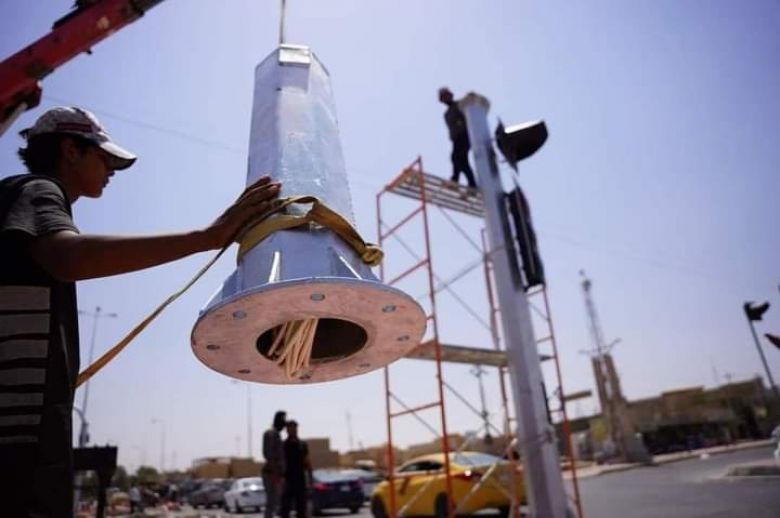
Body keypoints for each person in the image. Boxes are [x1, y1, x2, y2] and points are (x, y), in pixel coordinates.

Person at [0, 106, 282, 516]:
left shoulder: (17, 197)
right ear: (71, 150)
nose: (112, 171)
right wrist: (206, 237)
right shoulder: (37, 190)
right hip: (18, 438)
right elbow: (67, 257)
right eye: (106, 159)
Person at [438, 87, 477, 189]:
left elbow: (469, 104)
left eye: (446, 96)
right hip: (456, 138)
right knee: (462, 161)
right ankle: (472, 184)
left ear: (451, 96)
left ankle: (455, 179)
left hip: (464, 135)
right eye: (443, 98)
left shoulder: (459, 104)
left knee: (455, 158)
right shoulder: (446, 114)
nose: (445, 99)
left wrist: (470, 96)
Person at [281, 420, 312, 518]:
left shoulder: (302, 444)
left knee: (301, 508)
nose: (293, 430)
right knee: (285, 508)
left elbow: (307, 461)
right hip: (287, 479)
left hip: (300, 479)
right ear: (287, 430)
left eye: (294, 428)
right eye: (290, 428)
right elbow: (280, 462)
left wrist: (310, 477)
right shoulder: (283, 445)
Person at [263, 410, 287, 518]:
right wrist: (275, 474)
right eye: (283, 420)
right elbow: (270, 455)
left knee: (275, 502)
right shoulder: (272, 434)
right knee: (272, 502)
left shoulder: (276, 434)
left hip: (275, 472)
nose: (284, 424)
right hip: (272, 472)